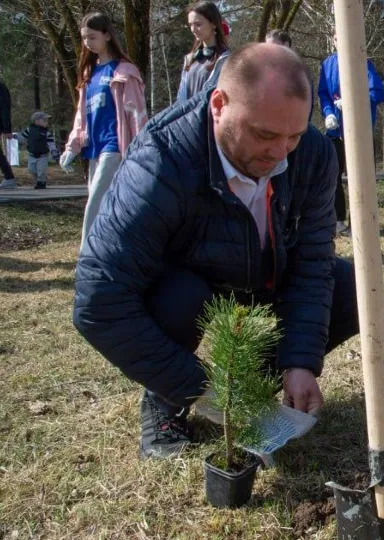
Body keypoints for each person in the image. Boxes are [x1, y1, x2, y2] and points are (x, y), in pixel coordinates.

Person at [72, 43, 359, 460]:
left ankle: (249, 392)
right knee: (179, 299)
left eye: (293, 136)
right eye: (264, 134)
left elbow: (312, 265)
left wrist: (301, 361)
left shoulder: (312, 155)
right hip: (191, 284)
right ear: (219, 105)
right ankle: (166, 401)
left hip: (264, 277)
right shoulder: (162, 160)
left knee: (346, 286)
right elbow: (98, 300)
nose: (280, 154)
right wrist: (196, 384)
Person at [60, 12, 147, 246]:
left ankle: (86, 257)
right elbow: (81, 116)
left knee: (95, 204)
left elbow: (138, 115)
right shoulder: (89, 73)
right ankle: (109, 252)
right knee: (104, 205)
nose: (87, 43)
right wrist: (72, 147)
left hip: (115, 146)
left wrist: (140, 152)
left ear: (107, 35)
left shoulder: (124, 72)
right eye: (84, 38)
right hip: (94, 149)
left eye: (92, 37)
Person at [317, 38, 384, 234]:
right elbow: (323, 93)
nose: (341, 41)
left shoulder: (364, 63)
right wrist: (329, 112)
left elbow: (378, 94)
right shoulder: (327, 64)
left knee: (363, 176)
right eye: (337, 38)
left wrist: (353, 100)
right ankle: (338, 220)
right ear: (334, 40)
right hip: (335, 130)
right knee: (333, 176)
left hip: (360, 131)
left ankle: (362, 222)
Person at [177, 2, 230, 103]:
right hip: (189, 117)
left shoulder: (227, 60)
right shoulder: (190, 59)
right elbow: (180, 98)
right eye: (190, 25)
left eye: (198, 24)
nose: (193, 29)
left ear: (213, 24)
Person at [17, 112, 57, 189]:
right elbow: (22, 137)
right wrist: (14, 136)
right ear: (37, 121)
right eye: (44, 120)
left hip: (43, 156)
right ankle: (40, 179)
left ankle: (41, 183)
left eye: (47, 120)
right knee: (31, 170)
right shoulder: (29, 130)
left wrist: (55, 154)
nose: (46, 122)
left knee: (41, 171)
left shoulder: (47, 133)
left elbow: (51, 145)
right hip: (31, 155)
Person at [0, 79, 16, 189]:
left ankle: (9, 177)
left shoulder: (1, 88)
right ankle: (9, 177)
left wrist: (7, 129)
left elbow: (5, 109)